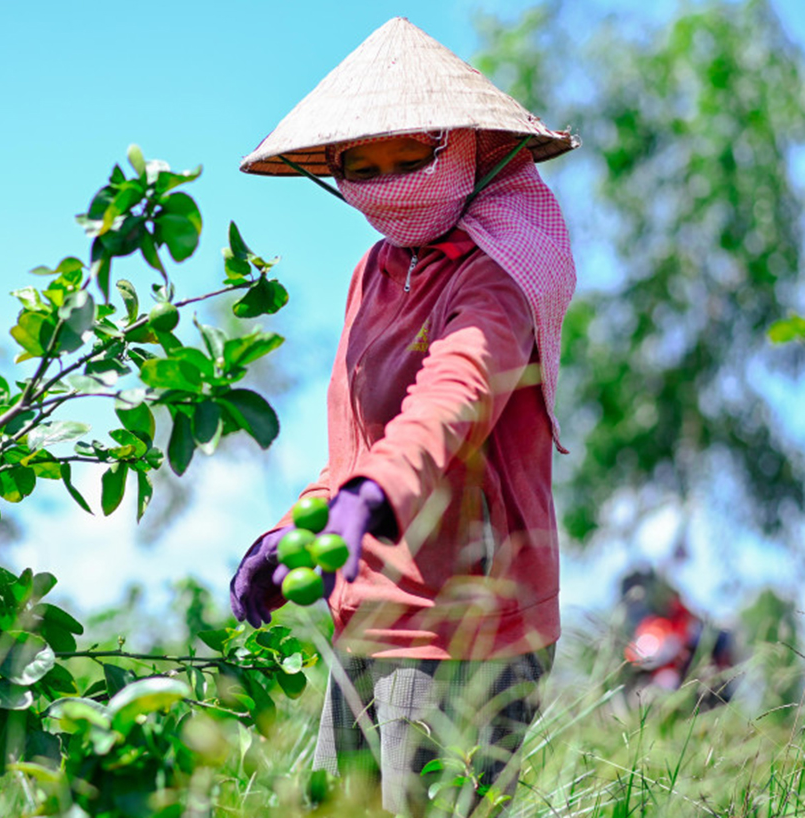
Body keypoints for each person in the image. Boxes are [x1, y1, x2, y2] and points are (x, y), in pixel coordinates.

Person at [230, 18, 579, 816]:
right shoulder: (377, 271)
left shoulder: (497, 274)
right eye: (364, 166)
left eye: (411, 155)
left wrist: (373, 500)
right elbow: (359, 443)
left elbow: (449, 403)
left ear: (466, 146)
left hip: (463, 625)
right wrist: (297, 526)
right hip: (368, 613)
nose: (390, 180)